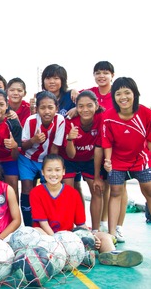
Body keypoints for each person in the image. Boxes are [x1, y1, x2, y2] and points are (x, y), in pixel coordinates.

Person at [103, 77, 151, 250]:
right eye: (118, 94)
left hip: (141, 159)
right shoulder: (108, 117)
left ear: (135, 94)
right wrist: (107, 161)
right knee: (115, 193)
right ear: (113, 96)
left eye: (127, 92)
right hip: (117, 161)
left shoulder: (146, 113)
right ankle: (112, 236)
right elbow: (107, 142)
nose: (123, 97)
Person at [30, 154, 143, 268]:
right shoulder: (36, 192)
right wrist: (57, 242)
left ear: (64, 172)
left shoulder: (73, 193)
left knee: (103, 236)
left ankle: (112, 255)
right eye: (49, 170)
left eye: (57, 170)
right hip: (49, 237)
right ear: (43, 172)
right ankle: (67, 256)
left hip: (70, 237)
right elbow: (42, 223)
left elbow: (80, 224)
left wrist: (91, 237)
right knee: (37, 231)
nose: (53, 174)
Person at [82, 61, 128, 241]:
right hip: (98, 147)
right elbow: (80, 101)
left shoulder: (118, 94)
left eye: (105, 73)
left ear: (112, 75)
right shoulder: (91, 92)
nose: (101, 76)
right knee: (102, 186)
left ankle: (118, 227)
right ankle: (102, 224)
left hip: (117, 146)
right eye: (98, 73)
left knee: (119, 187)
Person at [18, 91, 65, 226]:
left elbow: (55, 148)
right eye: (42, 107)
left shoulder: (60, 120)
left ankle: (49, 221)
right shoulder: (31, 121)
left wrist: (48, 167)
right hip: (27, 159)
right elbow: (24, 146)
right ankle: (28, 225)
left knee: (48, 187)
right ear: (37, 109)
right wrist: (34, 140)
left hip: (47, 159)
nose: (46, 111)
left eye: (50, 107)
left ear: (56, 108)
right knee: (27, 188)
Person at [60, 90, 104, 231]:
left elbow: (98, 149)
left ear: (96, 106)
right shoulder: (70, 121)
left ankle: (96, 230)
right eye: (80, 106)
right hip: (70, 159)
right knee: (68, 192)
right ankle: (73, 227)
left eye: (89, 105)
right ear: (76, 107)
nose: (85, 110)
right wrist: (70, 139)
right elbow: (70, 155)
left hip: (91, 159)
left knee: (97, 190)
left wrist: (97, 177)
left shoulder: (101, 119)